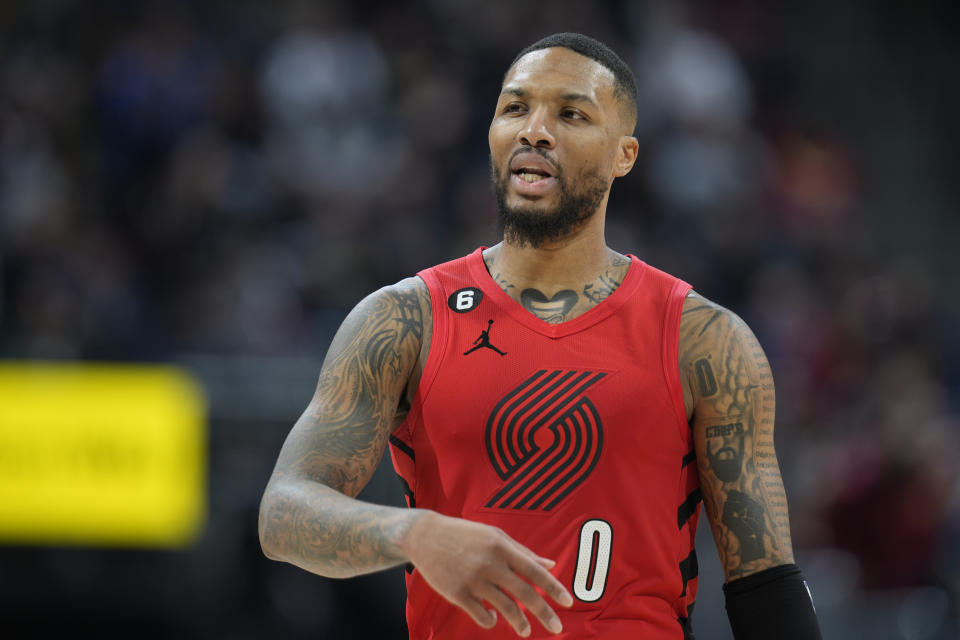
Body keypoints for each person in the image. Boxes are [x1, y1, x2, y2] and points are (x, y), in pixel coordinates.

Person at [258, 32, 822, 639]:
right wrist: (412, 534)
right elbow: (284, 514)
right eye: (515, 108)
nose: (535, 130)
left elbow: (765, 583)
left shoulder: (703, 339)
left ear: (623, 155)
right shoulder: (404, 319)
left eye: (572, 114)